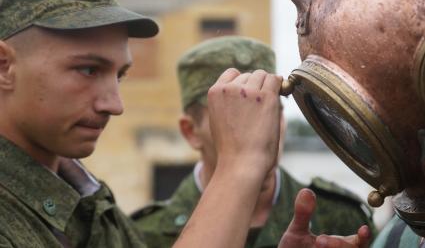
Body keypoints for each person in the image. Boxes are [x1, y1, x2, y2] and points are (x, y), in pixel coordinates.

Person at [0, 0, 288, 247]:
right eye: (88, 70)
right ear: (4, 67)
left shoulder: (89, 200)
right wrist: (239, 167)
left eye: (120, 75)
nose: (115, 105)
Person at [132, 36, 376, 248]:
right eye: (234, 115)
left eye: (270, 110)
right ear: (190, 132)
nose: (262, 130)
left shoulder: (339, 217)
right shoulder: (143, 234)